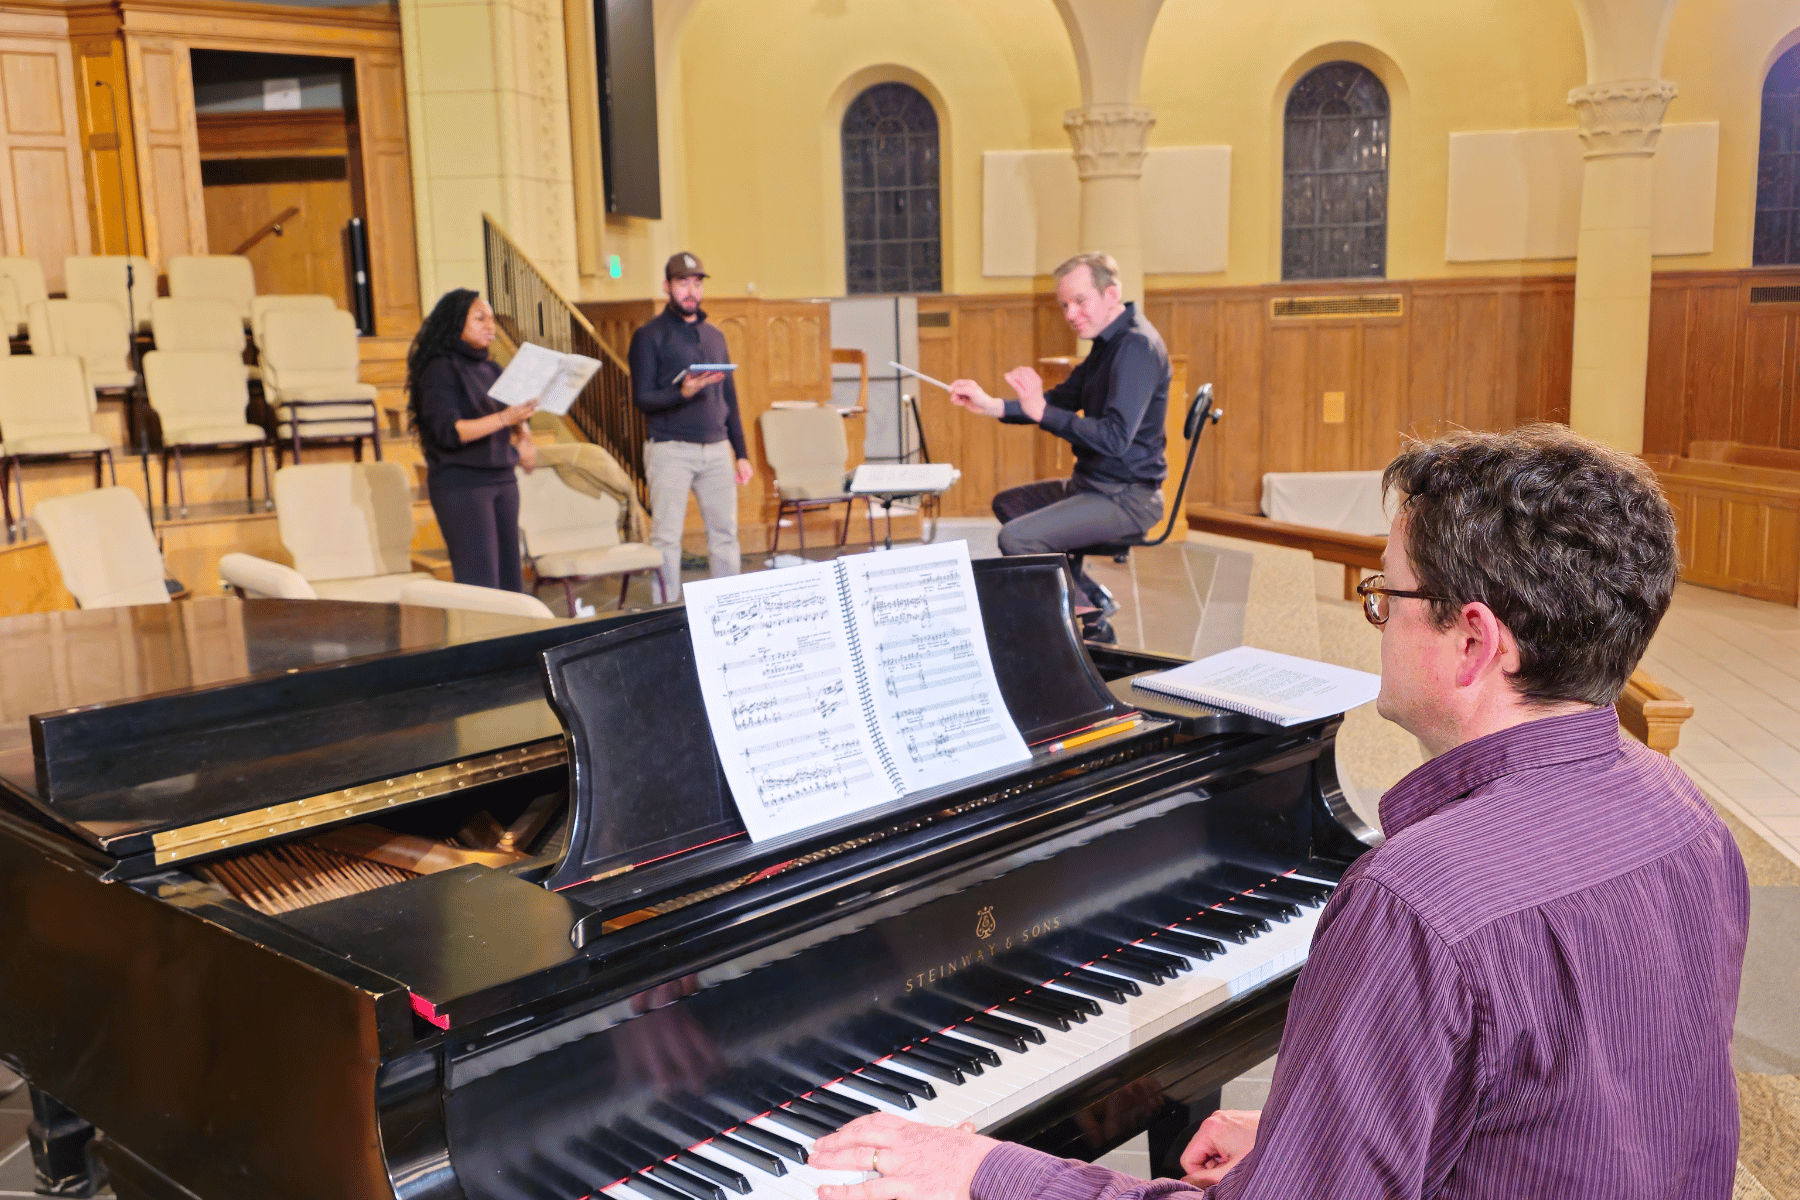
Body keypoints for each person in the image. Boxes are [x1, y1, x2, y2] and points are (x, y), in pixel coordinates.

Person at [807, 424, 1749, 1200]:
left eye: (1387, 595)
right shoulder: (1682, 814)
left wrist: (988, 1171)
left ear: (1472, 643)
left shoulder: (1420, 903)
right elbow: (1594, 1106)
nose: (1376, 618)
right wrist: (1323, 1132)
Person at [947, 252, 1168, 618]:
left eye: (1080, 301)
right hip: (1094, 485)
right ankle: (1086, 595)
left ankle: (1073, 614)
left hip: (1128, 498)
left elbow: (1114, 439)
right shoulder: (1107, 344)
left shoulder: (1136, 348)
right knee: (1009, 504)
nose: (1069, 315)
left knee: (1016, 538)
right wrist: (991, 405)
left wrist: (1043, 412)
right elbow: (1057, 401)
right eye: (1065, 304)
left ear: (1111, 295)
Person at [628, 251, 753, 601]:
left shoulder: (715, 336)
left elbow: (729, 398)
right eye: (683, 283)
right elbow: (642, 399)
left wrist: (740, 453)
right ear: (667, 286)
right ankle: (664, 614)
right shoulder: (649, 336)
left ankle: (728, 608)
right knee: (666, 538)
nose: (691, 290)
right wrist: (680, 392)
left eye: (697, 283)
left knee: (725, 533)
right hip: (670, 449)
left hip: (716, 449)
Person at [407, 288, 537, 592]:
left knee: (510, 582)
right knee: (481, 583)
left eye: (492, 319)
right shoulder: (439, 368)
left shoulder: (492, 368)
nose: (489, 326)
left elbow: (516, 412)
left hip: (503, 479)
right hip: (463, 485)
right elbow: (450, 431)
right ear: (455, 322)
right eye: (479, 318)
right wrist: (506, 419)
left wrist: (525, 437)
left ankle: (514, 640)